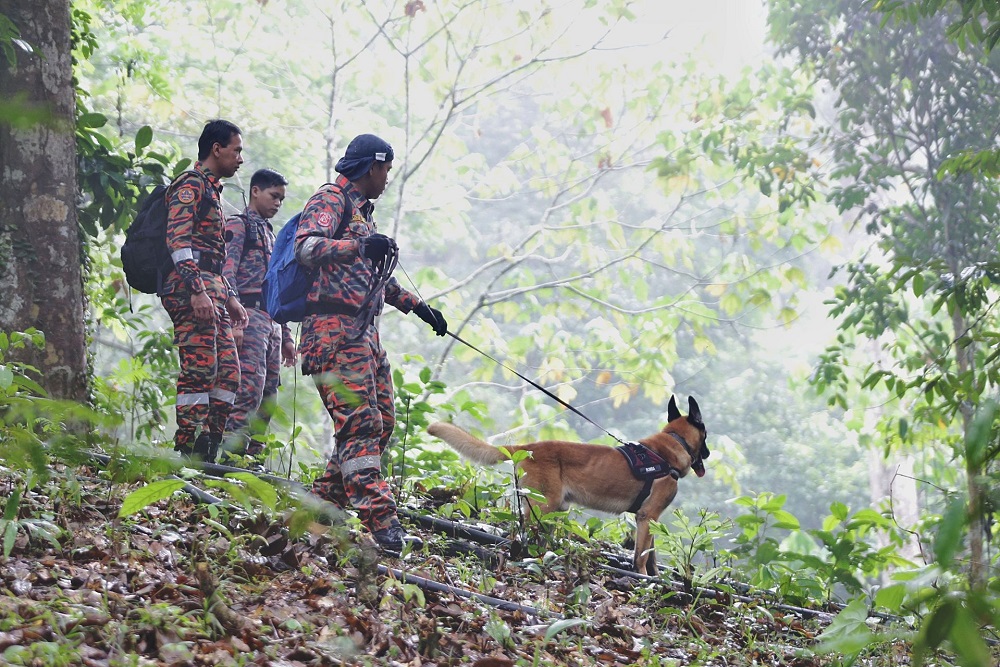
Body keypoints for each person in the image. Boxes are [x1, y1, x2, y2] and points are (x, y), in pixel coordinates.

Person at [295, 133, 447, 555]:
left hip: (364, 335)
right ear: (371, 167)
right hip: (334, 335)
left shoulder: (362, 211)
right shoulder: (330, 199)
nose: (387, 178)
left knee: (381, 423)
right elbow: (306, 247)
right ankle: (383, 525)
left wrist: (419, 308)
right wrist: (358, 244)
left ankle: (318, 515)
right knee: (360, 426)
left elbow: (374, 274)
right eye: (386, 169)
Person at [161, 119, 249, 463]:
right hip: (188, 287)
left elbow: (212, 255)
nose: (240, 159)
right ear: (217, 148)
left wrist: (228, 297)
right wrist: (196, 291)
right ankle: (186, 450)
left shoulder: (212, 189)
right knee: (200, 369)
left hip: (212, 288)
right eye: (236, 150)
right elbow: (178, 242)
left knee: (228, 372)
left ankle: (208, 452)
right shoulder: (190, 184)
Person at [221, 168, 297, 466]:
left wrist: (287, 336)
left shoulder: (271, 234)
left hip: (272, 321)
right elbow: (226, 272)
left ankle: (252, 462)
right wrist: (234, 319)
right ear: (255, 191)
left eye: (281, 198)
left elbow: (277, 287)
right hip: (248, 315)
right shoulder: (240, 226)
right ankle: (229, 460)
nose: (278, 203)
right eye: (273, 196)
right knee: (247, 390)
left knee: (268, 397)